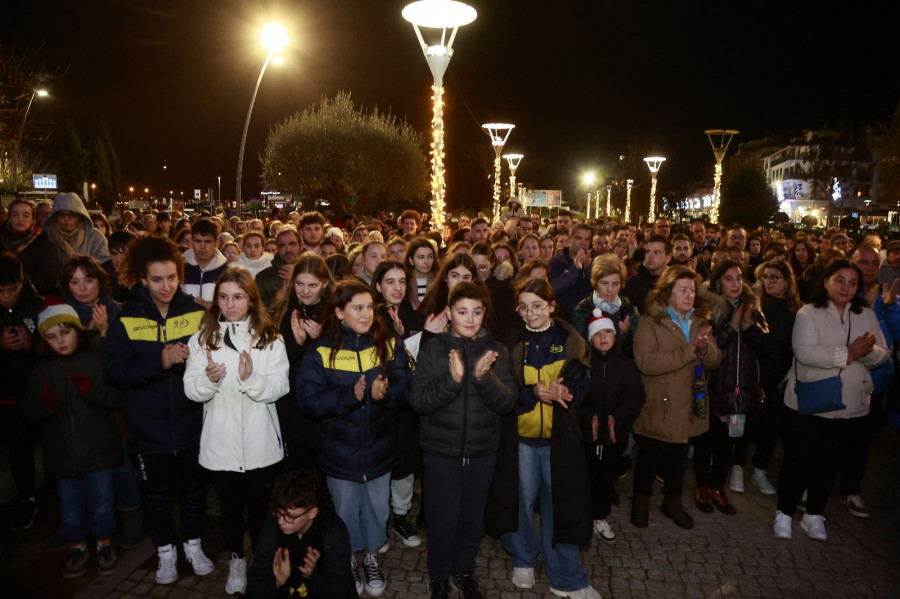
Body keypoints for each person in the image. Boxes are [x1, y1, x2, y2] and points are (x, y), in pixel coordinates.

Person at [102, 236, 214, 585]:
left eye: (171, 278)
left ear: (180, 274)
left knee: (195, 493)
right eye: (156, 280)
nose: (165, 287)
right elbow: (115, 374)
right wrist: (159, 361)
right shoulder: (126, 318)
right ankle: (165, 552)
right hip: (147, 431)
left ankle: (193, 546)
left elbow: (211, 358)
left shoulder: (197, 314)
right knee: (158, 497)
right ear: (142, 278)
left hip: (193, 426)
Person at [297, 280, 412, 597]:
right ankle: (347, 559)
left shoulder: (388, 345)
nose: (365, 315)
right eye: (357, 308)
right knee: (344, 511)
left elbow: (406, 386)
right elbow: (308, 400)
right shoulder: (321, 351)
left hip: (379, 448)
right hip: (340, 452)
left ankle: (371, 557)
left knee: (377, 508)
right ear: (339, 312)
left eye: (369, 308)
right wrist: (351, 396)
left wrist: (385, 395)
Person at [184, 268, 290, 595]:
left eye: (238, 297)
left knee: (260, 509)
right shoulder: (202, 339)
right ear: (216, 300)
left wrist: (251, 380)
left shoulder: (270, 338)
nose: (231, 304)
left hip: (261, 446)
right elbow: (191, 389)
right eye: (224, 297)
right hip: (221, 446)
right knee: (230, 510)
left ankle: (260, 562)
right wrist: (208, 379)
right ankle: (236, 561)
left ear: (251, 300)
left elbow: (280, 387)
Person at [410, 282, 518, 599]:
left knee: (472, 520)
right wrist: (451, 381)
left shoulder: (497, 350)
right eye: (461, 312)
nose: (469, 319)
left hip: (482, 452)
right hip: (441, 453)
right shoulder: (433, 350)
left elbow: (508, 402)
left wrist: (485, 380)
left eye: (476, 312)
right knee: (442, 521)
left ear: (485, 313)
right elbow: (418, 401)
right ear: (449, 313)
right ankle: (439, 577)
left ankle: (464, 571)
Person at [496, 278, 597, 599]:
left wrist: (568, 391)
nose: (530, 313)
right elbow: (502, 391)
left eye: (537, 306)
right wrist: (531, 393)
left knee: (561, 504)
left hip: (559, 439)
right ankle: (523, 557)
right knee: (520, 502)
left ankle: (565, 575)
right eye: (523, 307)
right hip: (521, 439)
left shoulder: (570, 338)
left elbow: (583, 380)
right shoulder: (510, 340)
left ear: (552, 305)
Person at [775, 260, 889, 541]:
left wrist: (868, 352)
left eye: (852, 283)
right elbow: (805, 353)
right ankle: (785, 513)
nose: (846, 287)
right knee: (799, 461)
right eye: (839, 280)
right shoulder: (809, 313)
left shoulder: (865, 315)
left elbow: (883, 353)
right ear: (826, 281)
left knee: (830, 463)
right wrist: (848, 354)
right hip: (810, 403)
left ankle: (814, 515)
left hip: (850, 407)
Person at [22, 298, 123, 578]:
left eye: (65, 333)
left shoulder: (97, 360)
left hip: (98, 450)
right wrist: (46, 405)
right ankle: (77, 546)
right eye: (52, 337)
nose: (61, 341)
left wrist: (94, 393)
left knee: (102, 503)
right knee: (70, 508)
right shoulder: (42, 370)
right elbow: (29, 411)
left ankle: (104, 543)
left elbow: (118, 397)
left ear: (78, 330)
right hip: (61, 454)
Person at [631, 265, 721, 529]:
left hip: (688, 402)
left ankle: (672, 501)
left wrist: (706, 350)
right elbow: (646, 363)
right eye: (682, 290)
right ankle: (640, 502)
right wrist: (690, 351)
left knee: (680, 454)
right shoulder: (650, 322)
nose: (689, 295)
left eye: (692, 289)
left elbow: (715, 361)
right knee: (649, 455)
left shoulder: (699, 321)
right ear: (667, 293)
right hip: (659, 402)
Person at [694, 260, 771, 516]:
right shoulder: (708, 309)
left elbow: (766, 345)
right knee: (707, 440)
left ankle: (718, 486)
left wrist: (748, 327)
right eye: (729, 279)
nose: (736, 283)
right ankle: (703, 486)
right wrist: (732, 326)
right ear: (719, 282)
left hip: (742, 387)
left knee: (729, 443)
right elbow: (708, 346)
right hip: (715, 384)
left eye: (739, 278)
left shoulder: (752, 308)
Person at [580, 310, 645, 544]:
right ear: (590, 339)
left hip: (615, 434)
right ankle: (581, 516)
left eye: (608, 331)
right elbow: (578, 397)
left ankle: (599, 516)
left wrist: (617, 417)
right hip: (588, 436)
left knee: (606, 479)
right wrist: (589, 417)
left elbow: (635, 395)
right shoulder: (584, 365)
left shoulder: (626, 365)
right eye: (598, 333)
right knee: (584, 476)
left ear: (615, 336)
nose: (603, 337)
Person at [245, 469, 358, 598]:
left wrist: (314, 576)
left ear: (312, 513)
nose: (281, 521)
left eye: (289, 516)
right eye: (278, 513)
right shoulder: (272, 529)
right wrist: (277, 582)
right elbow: (254, 587)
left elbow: (341, 589)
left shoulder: (333, 532)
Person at [271, 254, 334, 471]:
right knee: (297, 469)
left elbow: (341, 362)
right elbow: (276, 362)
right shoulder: (283, 310)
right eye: (300, 284)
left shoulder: (335, 312)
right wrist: (297, 344)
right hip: (292, 405)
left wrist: (318, 341)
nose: (305, 291)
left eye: (312, 285)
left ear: (324, 284)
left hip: (325, 406)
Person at [0, 256, 43, 530]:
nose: (6, 297)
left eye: (12, 289)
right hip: (6, 392)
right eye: (1, 291)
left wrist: (33, 342)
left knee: (48, 445)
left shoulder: (38, 304)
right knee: (18, 449)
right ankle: (26, 496)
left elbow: (54, 343)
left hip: (36, 388)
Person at [572, 254, 640, 356]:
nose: (610, 289)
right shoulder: (583, 310)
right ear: (595, 282)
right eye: (604, 283)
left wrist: (624, 335)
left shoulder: (629, 309)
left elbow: (638, 351)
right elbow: (579, 351)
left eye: (615, 284)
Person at [0, 198, 59, 295]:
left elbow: (47, 283)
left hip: (29, 300)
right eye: (15, 214)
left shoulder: (44, 244)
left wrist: (17, 266)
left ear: (33, 219)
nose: (20, 219)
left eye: (26, 215)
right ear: (9, 218)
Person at [59, 256, 122, 339]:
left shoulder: (116, 310)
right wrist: (89, 331)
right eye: (75, 282)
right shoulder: (61, 316)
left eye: (89, 281)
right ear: (68, 287)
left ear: (100, 282)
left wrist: (105, 330)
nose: (82, 288)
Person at [43, 192, 110, 263]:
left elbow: (106, 264)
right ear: (54, 217)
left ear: (80, 216)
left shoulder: (95, 237)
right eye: (61, 215)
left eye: (71, 215)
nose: (66, 219)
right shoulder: (47, 237)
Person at [548, 223, 593, 320]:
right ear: (569, 239)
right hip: (562, 320)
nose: (583, 243)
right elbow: (552, 290)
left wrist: (589, 268)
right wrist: (574, 269)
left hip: (588, 319)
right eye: (578, 238)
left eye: (587, 239)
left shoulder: (595, 262)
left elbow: (601, 289)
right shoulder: (556, 262)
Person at [182, 218, 228, 307]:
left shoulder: (227, 272)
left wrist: (207, 307)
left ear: (217, 243)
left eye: (208, 241)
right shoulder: (179, 269)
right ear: (191, 241)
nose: (202, 247)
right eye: (198, 241)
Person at [258, 226, 304, 308]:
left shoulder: (314, 271)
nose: (288, 249)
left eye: (292, 244)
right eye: (282, 246)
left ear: (301, 246)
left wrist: (296, 279)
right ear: (277, 249)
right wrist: (282, 291)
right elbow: (259, 310)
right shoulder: (264, 277)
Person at [623, 234, 670, 313]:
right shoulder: (631, 285)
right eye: (648, 252)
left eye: (656, 252)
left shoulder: (676, 282)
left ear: (668, 258)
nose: (650, 256)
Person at [404, 237, 439, 308]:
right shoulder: (404, 281)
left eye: (430, 257)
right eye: (421, 257)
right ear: (411, 260)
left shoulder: (438, 281)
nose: (426, 262)